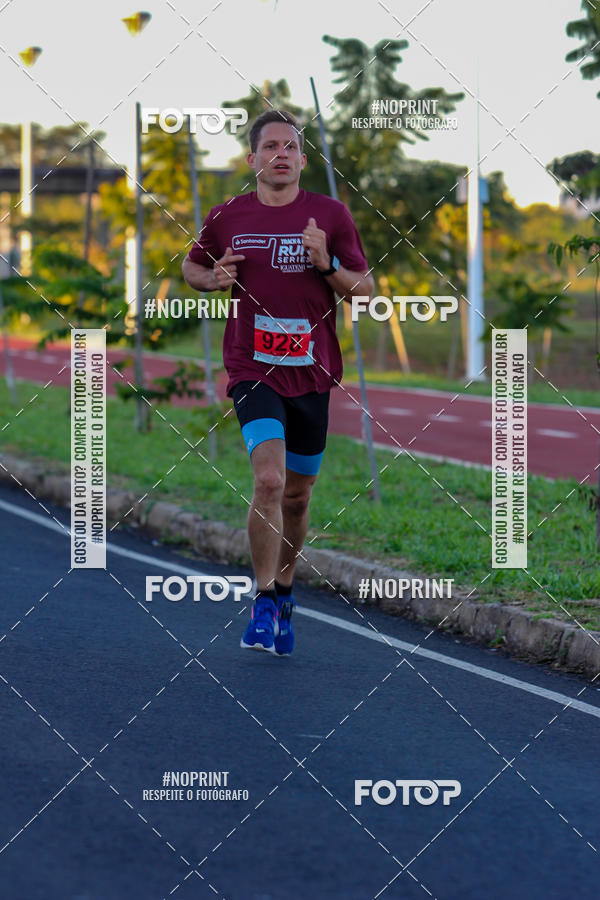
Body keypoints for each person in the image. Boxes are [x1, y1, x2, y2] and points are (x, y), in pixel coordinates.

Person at [182, 108, 373, 656]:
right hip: (252, 367)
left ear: (303, 159)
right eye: (270, 146)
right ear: (253, 158)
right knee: (268, 480)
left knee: (297, 494)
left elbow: (362, 289)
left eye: (290, 146)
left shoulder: (330, 214)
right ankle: (263, 598)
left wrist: (326, 261)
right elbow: (193, 268)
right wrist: (212, 278)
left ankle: (285, 589)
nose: (281, 154)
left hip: (312, 372)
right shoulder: (228, 215)